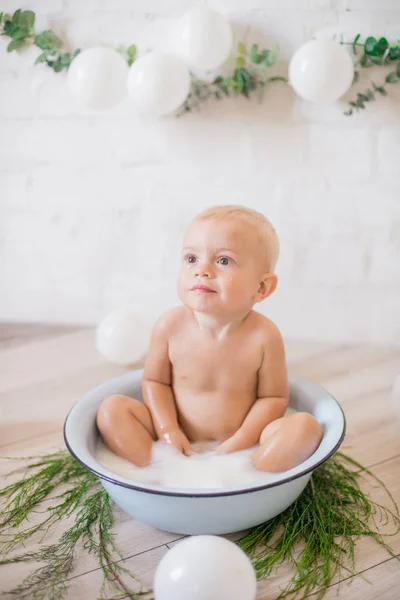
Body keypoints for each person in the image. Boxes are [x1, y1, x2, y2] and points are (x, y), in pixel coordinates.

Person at [97, 205, 323, 472]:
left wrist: (243, 441)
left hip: (244, 442)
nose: (202, 270)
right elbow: (155, 381)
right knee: (112, 410)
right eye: (191, 258)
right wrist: (167, 430)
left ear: (261, 287)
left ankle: (251, 473)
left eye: (223, 261)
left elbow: (273, 398)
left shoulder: (264, 336)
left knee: (305, 427)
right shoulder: (169, 326)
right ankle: (153, 470)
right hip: (171, 436)